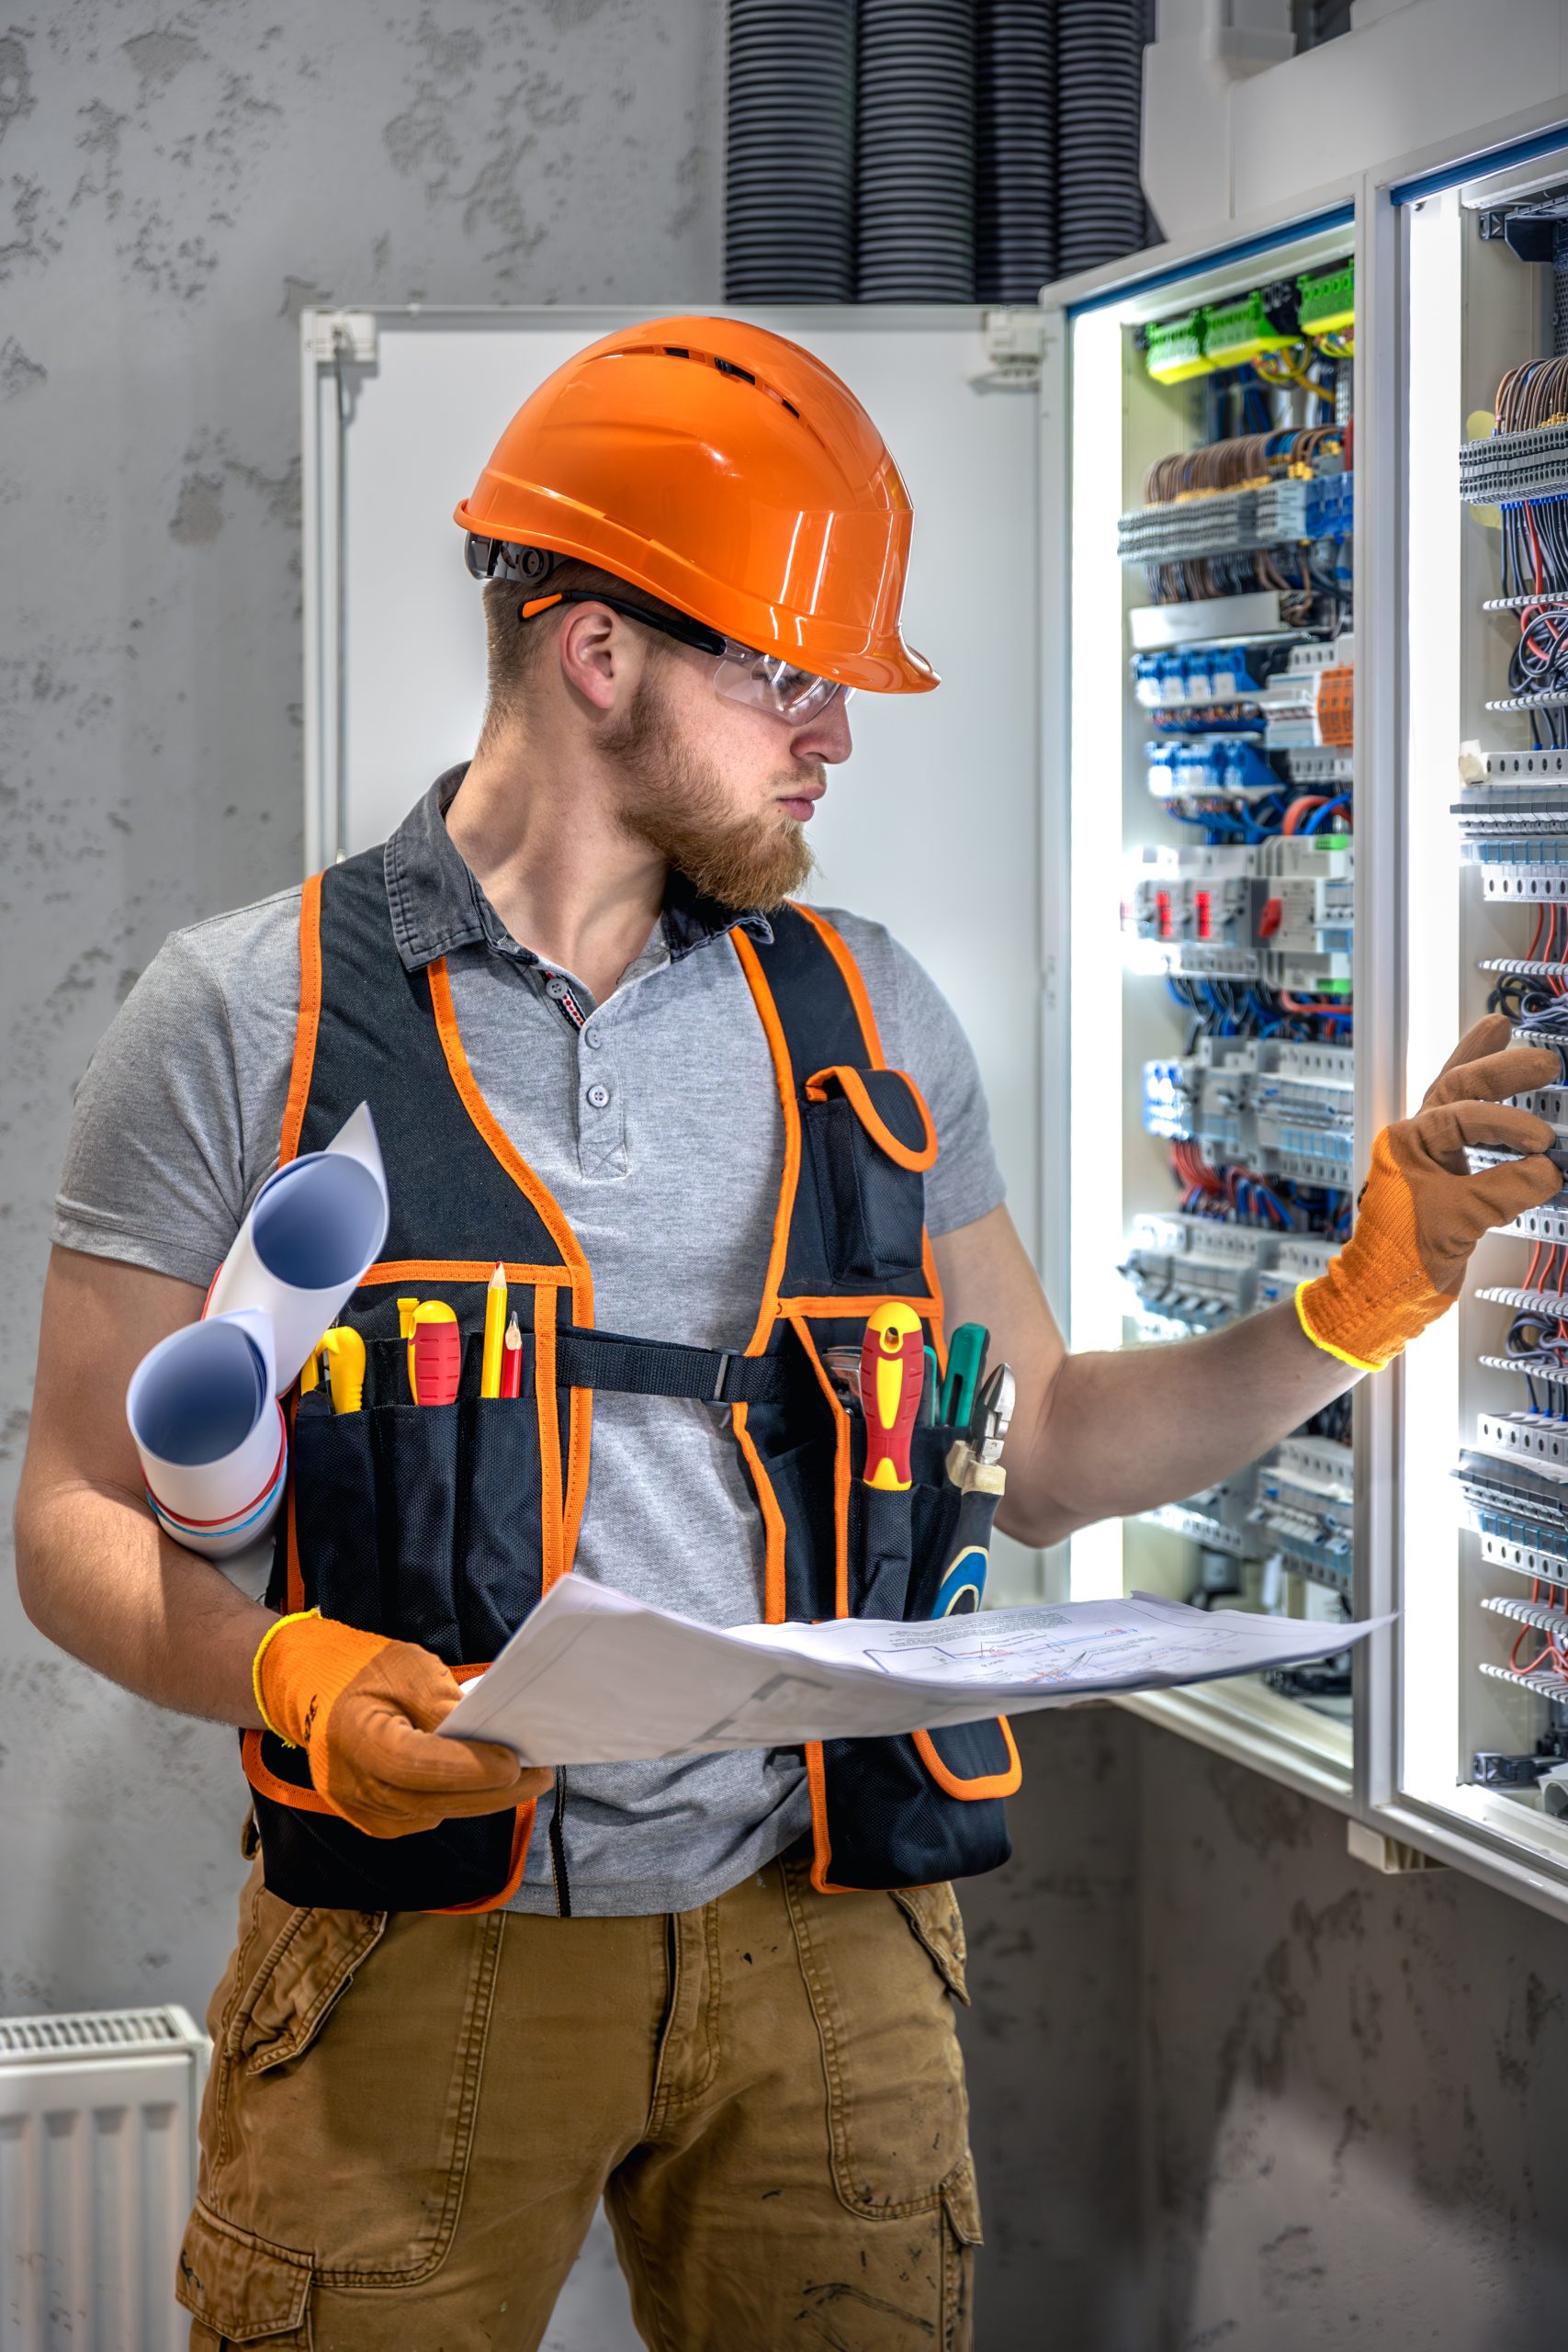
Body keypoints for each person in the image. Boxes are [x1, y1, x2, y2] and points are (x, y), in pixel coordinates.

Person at [14, 314, 1560, 2352]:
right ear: (598, 654)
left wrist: (1359, 1302)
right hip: (415, 1954)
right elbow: (73, 1511)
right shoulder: (245, 1015)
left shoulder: (868, 1012)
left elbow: (1047, 1450)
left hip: (827, 1942)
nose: (831, 733)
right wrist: (286, 1669)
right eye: (790, 675)